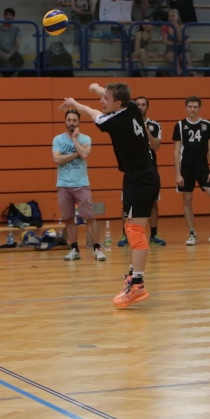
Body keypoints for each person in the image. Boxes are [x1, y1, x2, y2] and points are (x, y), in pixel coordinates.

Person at [58, 82, 161, 307]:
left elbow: (91, 112)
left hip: (141, 179)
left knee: (135, 231)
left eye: (106, 98)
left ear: (117, 103)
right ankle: (133, 277)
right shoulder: (131, 107)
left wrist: (75, 103)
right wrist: (96, 88)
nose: (101, 101)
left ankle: (138, 285)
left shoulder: (114, 121)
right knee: (131, 228)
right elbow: (110, 98)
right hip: (139, 176)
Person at [173, 96, 210, 246]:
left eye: (195, 107)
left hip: (203, 167)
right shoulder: (180, 125)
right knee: (187, 200)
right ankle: (192, 233)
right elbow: (177, 151)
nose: (192, 109)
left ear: (199, 108)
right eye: (190, 106)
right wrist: (178, 174)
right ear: (186, 107)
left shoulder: (207, 125)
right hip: (186, 167)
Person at [52, 109, 106, 262]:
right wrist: (77, 153)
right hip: (63, 185)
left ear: (79, 122)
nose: (71, 123)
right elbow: (57, 159)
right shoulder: (58, 139)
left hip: (82, 185)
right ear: (65, 121)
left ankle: (97, 249)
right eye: (69, 120)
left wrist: (75, 140)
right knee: (68, 218)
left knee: (90, 217)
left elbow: (86, 154)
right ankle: (74, 249)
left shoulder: (86, 138)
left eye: (74, 120)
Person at [118, 96, 167, 246]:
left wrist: (145, 131)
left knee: (153, 202)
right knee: (127, 202)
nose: (140, 107)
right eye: (138, 104)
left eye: (143, 105)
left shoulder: (155, 125)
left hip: (150, 169)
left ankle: (154, 234)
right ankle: (125, 235)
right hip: (133, 169)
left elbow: (156, 146)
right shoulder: (127, 123)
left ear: (147, 107)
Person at [0, 7, 24, 76]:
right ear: (4, 16)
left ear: (13, 17)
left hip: (12, 52)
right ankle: (3, 74)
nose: (8, 17)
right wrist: (1, 53)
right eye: (7, 14)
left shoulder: (17, 29)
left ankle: (7, 75)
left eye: (10, 15)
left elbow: (17, 45)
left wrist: (10, 54)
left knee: (20, 60)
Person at [163, 8, 195, 76]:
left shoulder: (182, 27)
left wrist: (177, 28)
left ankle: (195, 75)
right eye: (169, 16)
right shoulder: (165, 27)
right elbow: (165, 41)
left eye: (173, 16)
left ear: (178, 17)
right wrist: (176, 43)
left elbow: (180, 40)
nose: (171, 18)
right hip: (170, 50)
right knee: (175, 62)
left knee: (186, 61)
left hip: (181, 50)